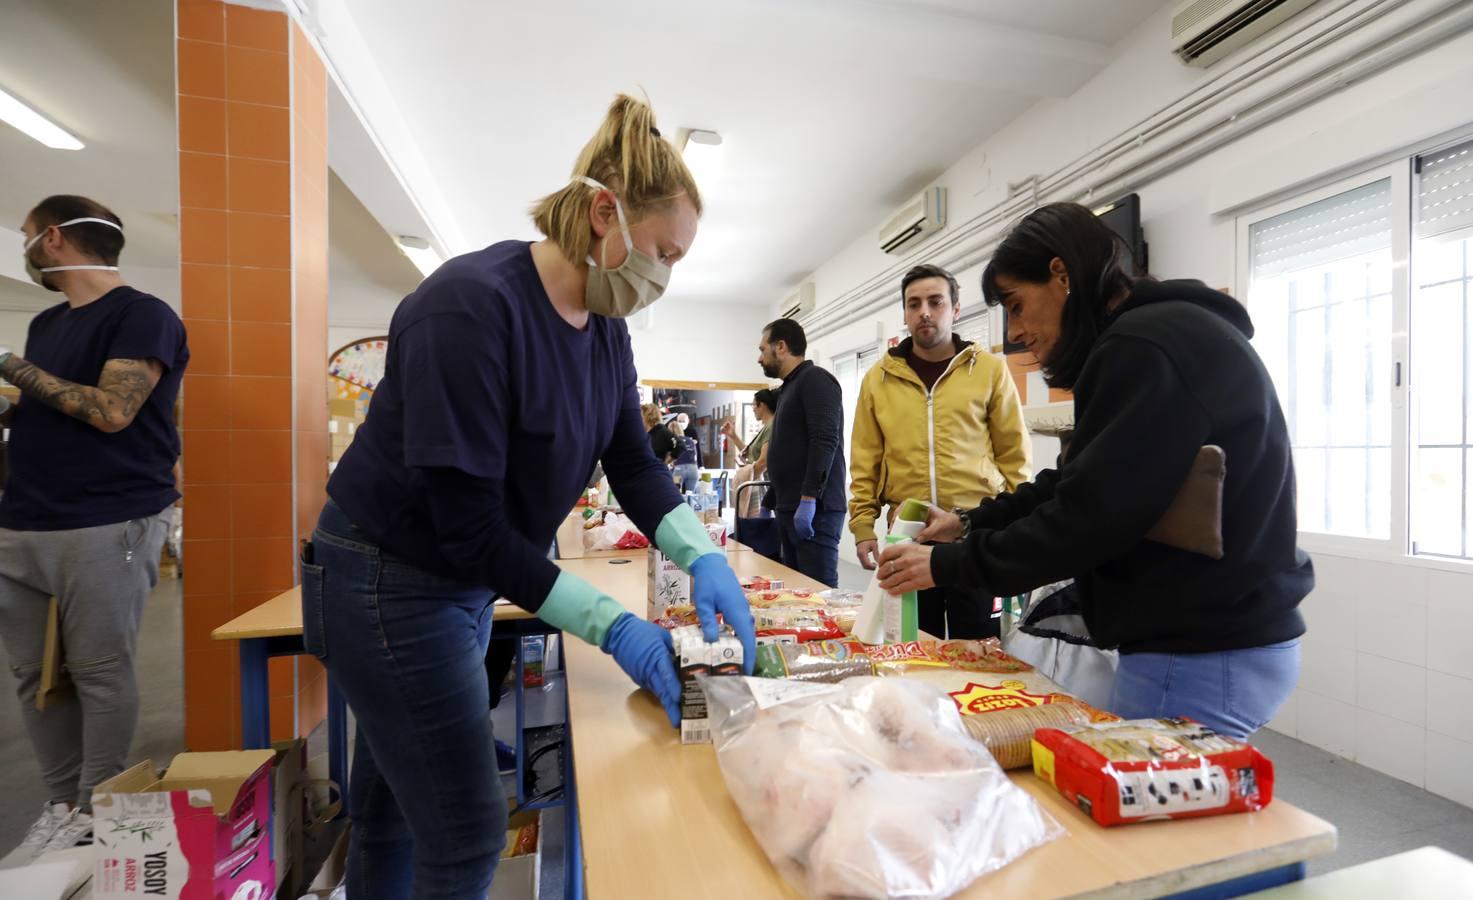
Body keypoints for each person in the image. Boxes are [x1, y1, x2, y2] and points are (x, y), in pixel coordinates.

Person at [304, 95, 757, 899]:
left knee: (393, 807)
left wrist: (701, 552)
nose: (662, 276)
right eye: (662, 252)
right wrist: (610, 626)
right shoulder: (470, 307)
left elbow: (635, 465)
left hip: (467, 582)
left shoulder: (606, 330)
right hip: (390, 580)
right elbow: (467, 525)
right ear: (601, 213)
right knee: (468, 829)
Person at [877, 202, 1310, 740]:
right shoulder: (1155, 338)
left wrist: (948, 564)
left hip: (1200, 645)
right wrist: (968, 523)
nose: (1016, 332)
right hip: (1213, 635)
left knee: (1154, 820)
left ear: (1060, 275)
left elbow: (1086, 518)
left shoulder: (1142, 347)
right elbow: (1076, 481)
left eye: (1017, 305)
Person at [0, 195, 188, 864]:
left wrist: (9, 366)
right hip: (23, 519)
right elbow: (49, 402)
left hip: (107, 519)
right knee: (34, 675)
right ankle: (60, 810)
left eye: (27, 238)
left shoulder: (144, 316)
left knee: (100, 669)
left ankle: (96, 810)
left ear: (52, 239)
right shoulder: (49, 323)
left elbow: (111, 410)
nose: (25, 250)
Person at [850, 264, 1031, 639]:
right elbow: (865, 459)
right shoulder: (878, 380)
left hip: (976, 533)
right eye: (914, 304)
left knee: (980, 647)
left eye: (936, 301)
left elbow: (1013, 453)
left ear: (956, 309)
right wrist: (863, 525)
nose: (925, 312)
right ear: (904, 314)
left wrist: (1017, 521)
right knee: (915, 646)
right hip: (909, 536)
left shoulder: (990, 371)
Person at [758, 318, 845, 587]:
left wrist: (809, 499)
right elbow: (791, 451)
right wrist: (770, 499)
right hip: (790, 507)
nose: (759, 359)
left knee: (818, 593)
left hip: (815, 511)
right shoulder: (788, 388)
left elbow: (824, 440)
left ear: (781, 347)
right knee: (797, 595)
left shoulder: (816, 380)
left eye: (762, 350)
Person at [721, 388, 777, 477]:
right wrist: (733, 435)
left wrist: (745, 478)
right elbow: (750, 454)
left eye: (753, 405)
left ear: (761, 405)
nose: (753, 409)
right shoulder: (766, 427)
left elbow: (763, 462)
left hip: (766, 483)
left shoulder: (771, 426)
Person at [670, 413, 700, 492]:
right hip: (693, 470)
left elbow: (671, 456)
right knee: (690, 495)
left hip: (679, 470)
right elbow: (695, 455)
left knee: (676, 492)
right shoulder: (690, 440)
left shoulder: (673, 440)